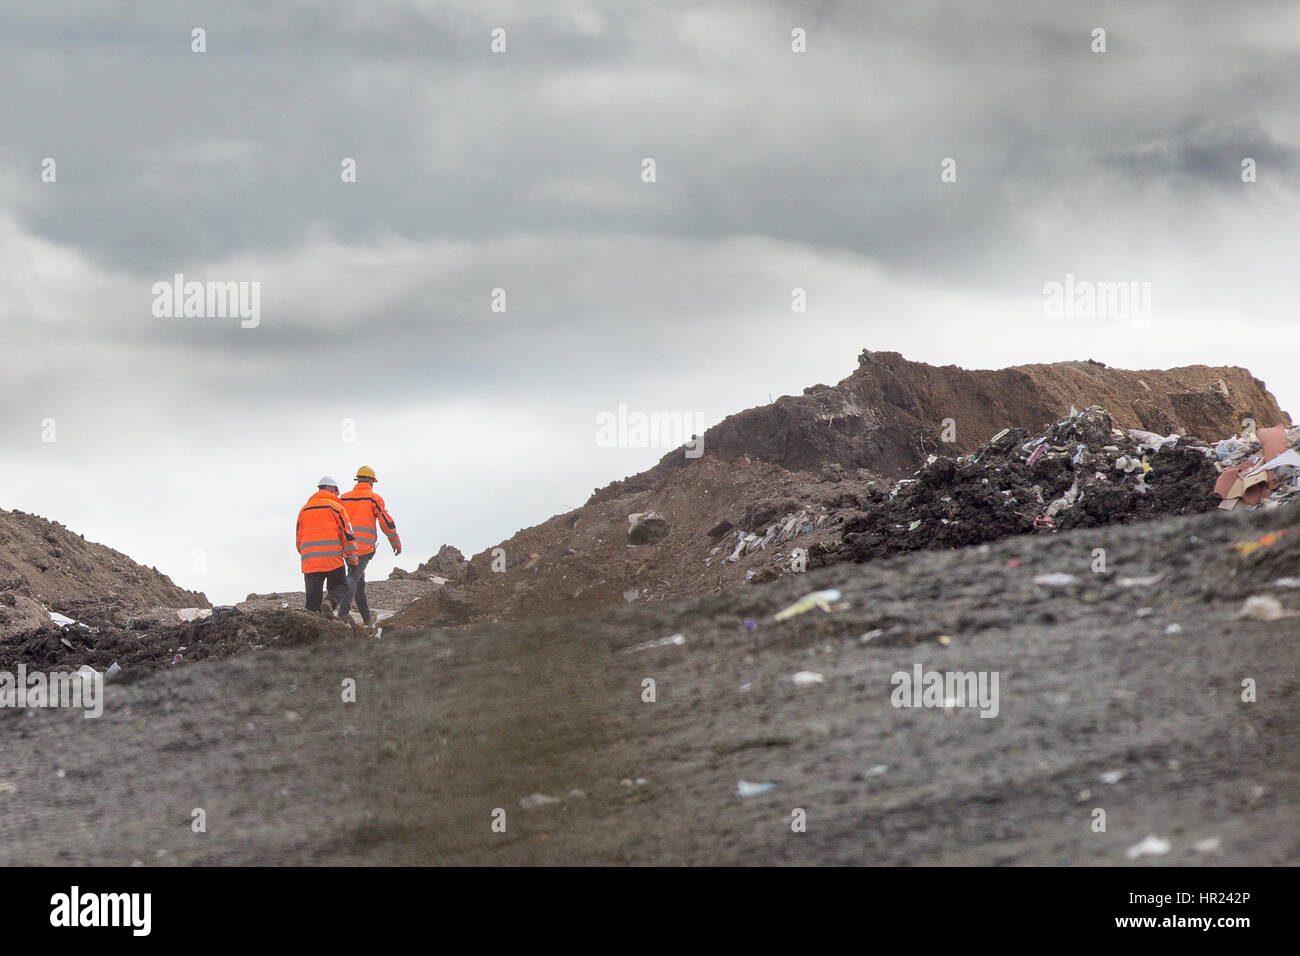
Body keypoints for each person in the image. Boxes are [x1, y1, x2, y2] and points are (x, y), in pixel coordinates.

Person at [338, 465, 401, 626]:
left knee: (359, 581)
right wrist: (395, 542)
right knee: (353, 577)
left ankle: (366, 618)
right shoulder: (374, 498)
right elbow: (386, 522)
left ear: (358, 480)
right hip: (364, 547)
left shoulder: (343, 498)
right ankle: (342, 615)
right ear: (371, 482)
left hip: (345, 546)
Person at [295, 476, 358, 617]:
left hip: (310, 562)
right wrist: (352, 559)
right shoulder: (337, 508)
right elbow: (347, 535)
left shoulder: (304, 510)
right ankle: (330, 602)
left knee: (312, 601)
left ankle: (312, 627)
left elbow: (299, 539)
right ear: (332, 489)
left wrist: (308, 555)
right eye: (337, 491)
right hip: (332, 559)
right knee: (340, 586)